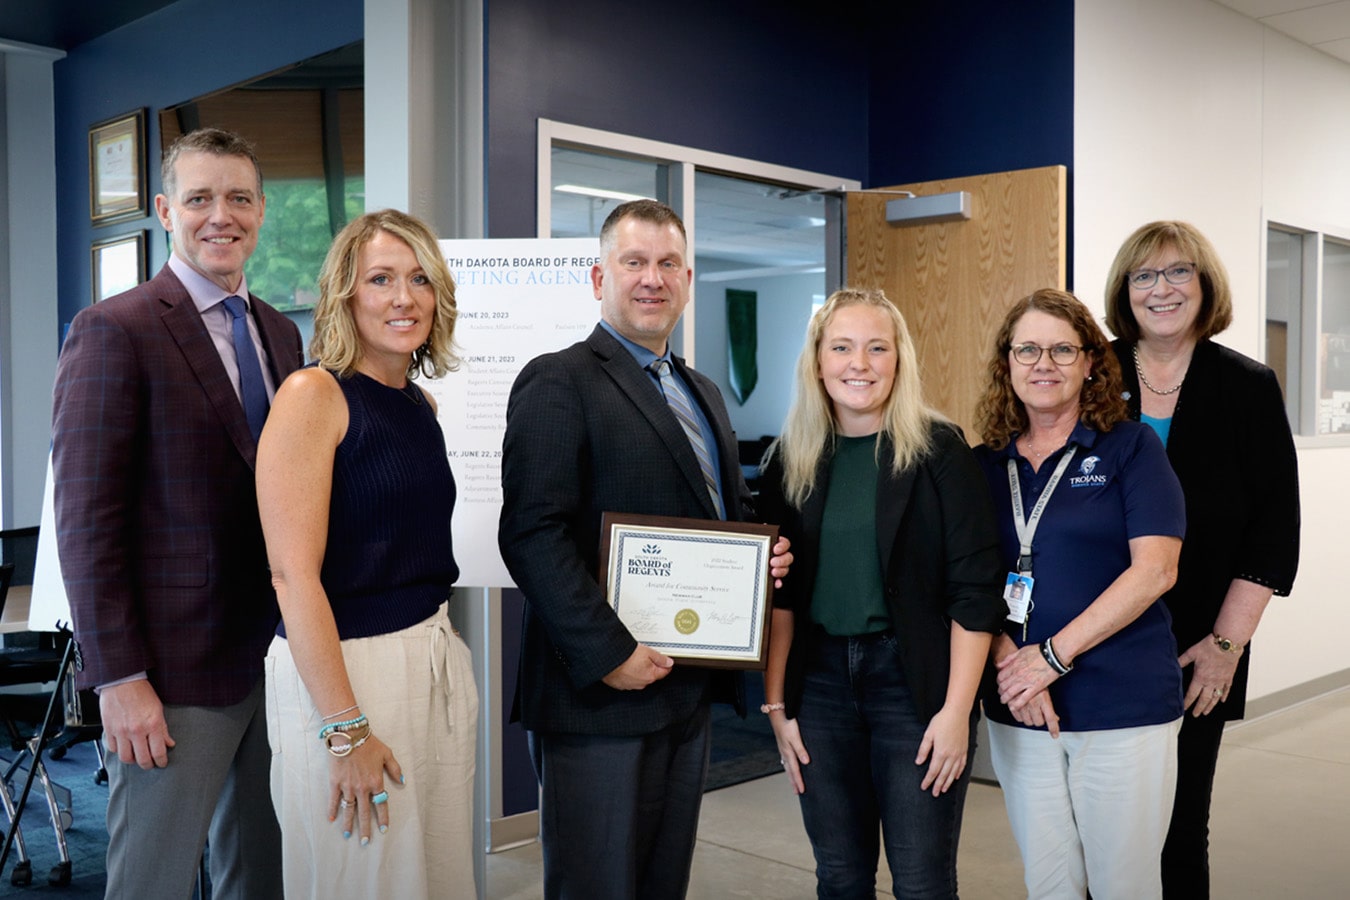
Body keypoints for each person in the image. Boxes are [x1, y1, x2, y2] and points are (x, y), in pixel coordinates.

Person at [497, 198, 792, 900]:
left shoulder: (703, 391)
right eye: (633, 262)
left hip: (686, 684)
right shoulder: (558, 379)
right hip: (600, 691)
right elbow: (531, 534)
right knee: (597, 883)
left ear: (687, 280)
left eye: (667, 264)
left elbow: (724, 512)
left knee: (663, 881)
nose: (651, 279)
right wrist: (611, 654)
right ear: (599, 279)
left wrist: (762, 556)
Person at [51, 128, 301, 898]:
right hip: (173, 675)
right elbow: (86, 524)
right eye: (199, 199)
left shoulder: (282, 333)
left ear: (261, 212)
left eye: (237, 198)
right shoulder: (114, 329)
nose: (218, 215)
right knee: (152, 882)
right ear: (166, 210)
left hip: (280, 660)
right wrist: (118, 678)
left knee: (260, 876)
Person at [256, 209, 477, 899]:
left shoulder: (419, 405)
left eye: (419, 279)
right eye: (380, 279)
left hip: (429, 656)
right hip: (344, 674)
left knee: (432, 874)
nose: (403, 297)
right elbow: (293, 576)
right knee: (360, 878)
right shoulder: (312, 395)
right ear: (346, 294)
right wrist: (346, 731)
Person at [755, 288, 1005, 899]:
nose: (858, 363)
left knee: (921, 881)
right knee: (840, 876)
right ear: (817, 361)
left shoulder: (941, 451)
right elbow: (779, 600)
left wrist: (955, 714)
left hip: (913, 688)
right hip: (819, 689)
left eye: (876, 348)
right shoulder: (790, 459)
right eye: (841, 347)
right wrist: (777, 706)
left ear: (900, 361)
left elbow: (975, 591)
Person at [1104, 221, 1300, 899]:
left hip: (1196, 648)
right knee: (1094, 827)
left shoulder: (1246, 387)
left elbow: (1274, 528)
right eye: (1144, 275)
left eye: (1179, 272)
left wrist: (1225, 644)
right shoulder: (1090, 375)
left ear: (1205, 284)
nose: (1162, 289)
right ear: (1124, 291)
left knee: (1179, 826)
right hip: (1092, 639)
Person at [972, 288, 1187, 900]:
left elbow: (1156, 571)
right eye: (1028, 349)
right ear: (1006, 364)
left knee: (1125, 884)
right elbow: (962, 579)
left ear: (1092, 361)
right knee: (1049, 883)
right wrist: (1013, 665)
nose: (1044, 363)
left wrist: (1050, 657)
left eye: (1064, 349)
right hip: (1021, 706)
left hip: (1122, 704)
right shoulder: (981, 464)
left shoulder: (1131, 447)